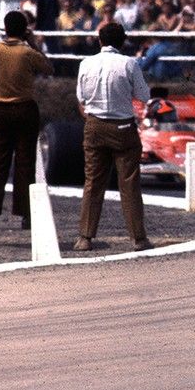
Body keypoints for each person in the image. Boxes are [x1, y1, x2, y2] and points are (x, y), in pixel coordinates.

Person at [74, 22, 153, 252]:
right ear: (122, 42)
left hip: (94, 125)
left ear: (100, 41)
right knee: (129, 183)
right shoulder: (129, 63)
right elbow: (144, 95)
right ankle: (138, 238)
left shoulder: (86, 63)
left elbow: (81, 97)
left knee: (93, 183)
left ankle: (85, 238)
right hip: (123, 127)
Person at [0, 11, 52, 230]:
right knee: (25, 163)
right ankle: (25, 214)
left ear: (5, 28)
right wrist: (32, 42)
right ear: (24, 29)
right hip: (24, 108)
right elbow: (48, 68)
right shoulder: (27, 52)